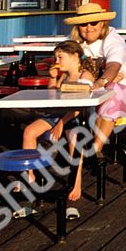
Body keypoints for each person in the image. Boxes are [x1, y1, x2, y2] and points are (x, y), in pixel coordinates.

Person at [65, 3, 126, 206]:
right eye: (83, 24)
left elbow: (114, 66)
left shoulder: (113, 40)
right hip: (94, 99)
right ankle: (76, 180)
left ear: (103, 23)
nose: (88, 27)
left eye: (93, 22)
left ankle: (95, 149)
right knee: (75, 125)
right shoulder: (77, 45)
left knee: (112, 95)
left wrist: (102, 81)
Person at [14, 39, 97, 220]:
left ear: (75, 56)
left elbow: (78, 107)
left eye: (60, 56)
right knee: (29, 131)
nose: (57, 60)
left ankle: (76, 183)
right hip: (55, 115)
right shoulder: (64, 75)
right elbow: (52, 94)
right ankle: (30, 175)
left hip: (74, 118)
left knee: (75, 140)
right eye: (56, 57)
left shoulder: (85, 75)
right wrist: (52, 78)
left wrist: (61, 123)